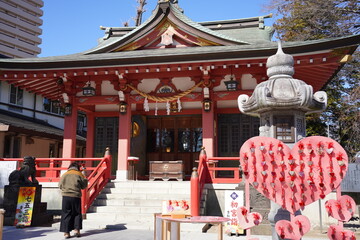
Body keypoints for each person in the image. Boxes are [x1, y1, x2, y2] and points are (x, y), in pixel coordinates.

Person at [59, 162, 88, 238]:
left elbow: (60, 185)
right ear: (77, 168)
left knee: (66, 213)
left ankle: (66, 232)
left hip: (66, 196)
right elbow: (83, 186)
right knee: (77, 213)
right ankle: (77, 230)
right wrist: (85, 177)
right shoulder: (79, 174)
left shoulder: (64, 174)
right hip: (76, 196)